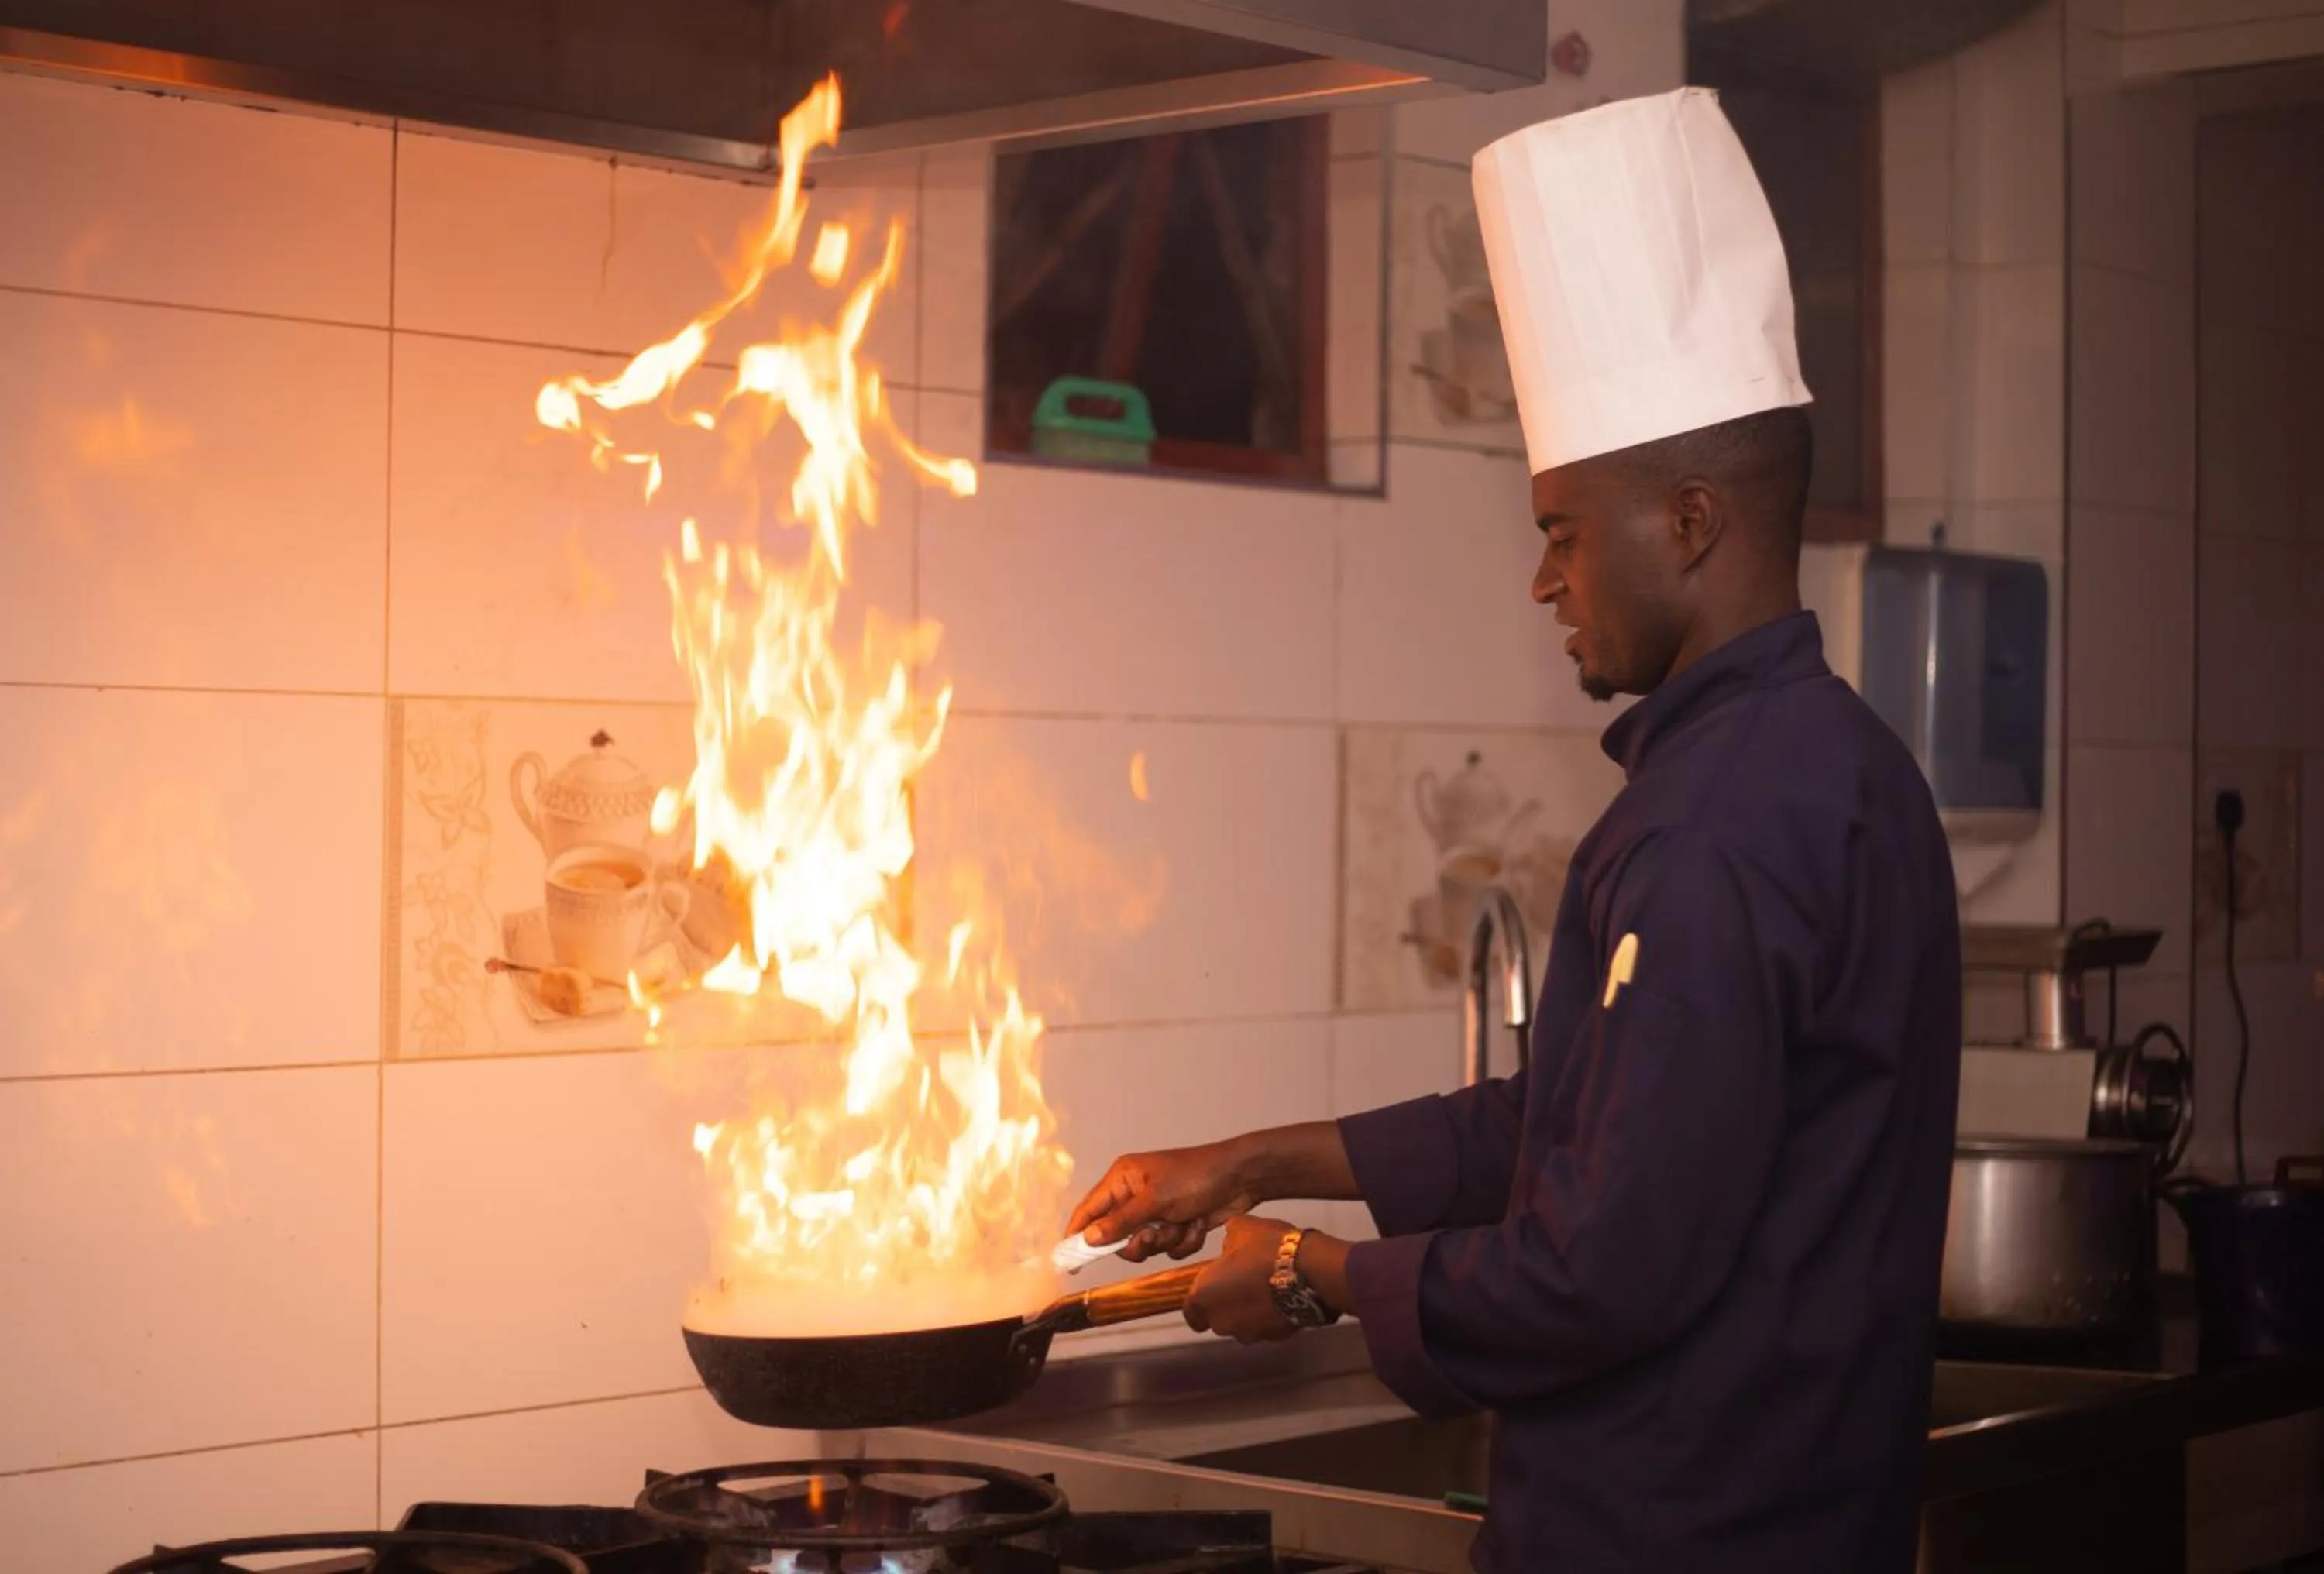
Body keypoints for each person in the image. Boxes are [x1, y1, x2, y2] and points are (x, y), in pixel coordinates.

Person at [1067, 88, 1962, 1572]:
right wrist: (1251, 1161)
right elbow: (1573, 1135)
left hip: (1678, 1534)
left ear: (1682, 523)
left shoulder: (1711, 835)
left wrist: (1312, 1276)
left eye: (1560, 530)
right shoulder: (1836, 767)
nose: (1545, 584)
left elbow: (1603, 1268)